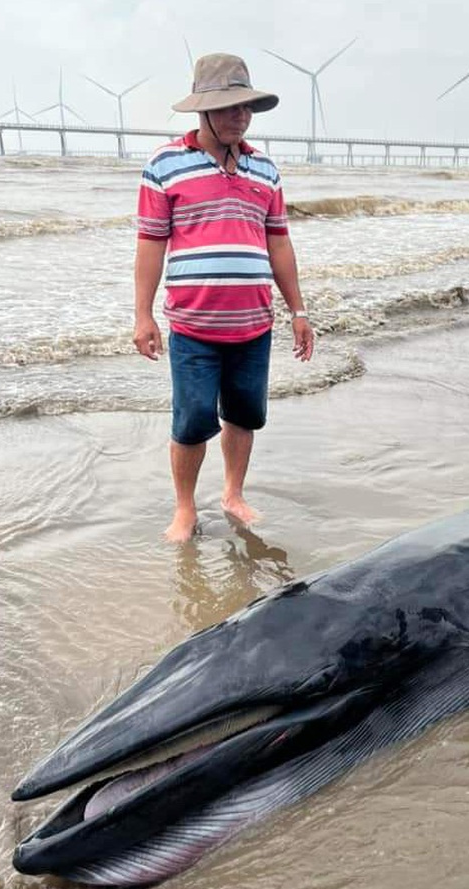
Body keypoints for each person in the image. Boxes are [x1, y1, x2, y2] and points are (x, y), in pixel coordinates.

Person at [133, 53, 314, 542]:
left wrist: (298, 310)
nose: (242, 116)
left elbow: (279, 242)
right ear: (204, 111)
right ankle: (185, 508)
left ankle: (233, 493)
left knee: (244, 414)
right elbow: (151, 242)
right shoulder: (164, 164)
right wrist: (143, 315)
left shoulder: (265, 169)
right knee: (191, 420)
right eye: (232, 107)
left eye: (247, 107)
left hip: (254, 323)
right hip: (193, 326)